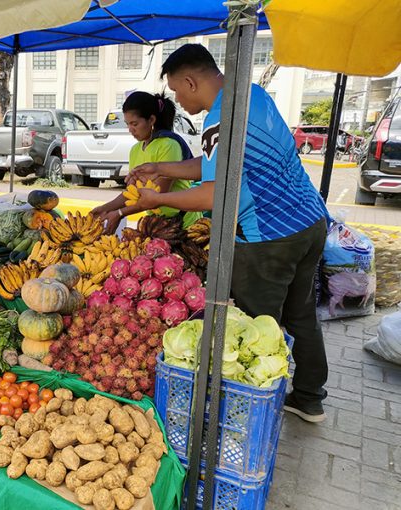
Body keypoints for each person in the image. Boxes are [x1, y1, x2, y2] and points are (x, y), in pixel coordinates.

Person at [130, 44, 329, 423]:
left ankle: (246, 417)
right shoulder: (251, 94)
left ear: (190, 81)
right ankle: (308, 397)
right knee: (301, 313)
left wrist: (155, 199)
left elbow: (215, 192)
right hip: (308, 222)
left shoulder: (219, 117)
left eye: (176, 90)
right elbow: (214, 165)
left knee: (255, 332)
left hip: (268, 237)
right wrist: (162, 166)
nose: (177, 99)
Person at [91, 91, 202, 233]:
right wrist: (105, 208)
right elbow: (132, 193)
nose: (131, 130)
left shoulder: (168, 145)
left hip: (185, 224)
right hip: (157, 226)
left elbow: (157, 194)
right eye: (127, 124)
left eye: (135, 124)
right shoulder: (135, 150)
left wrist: (120, 214)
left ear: (151, 120)